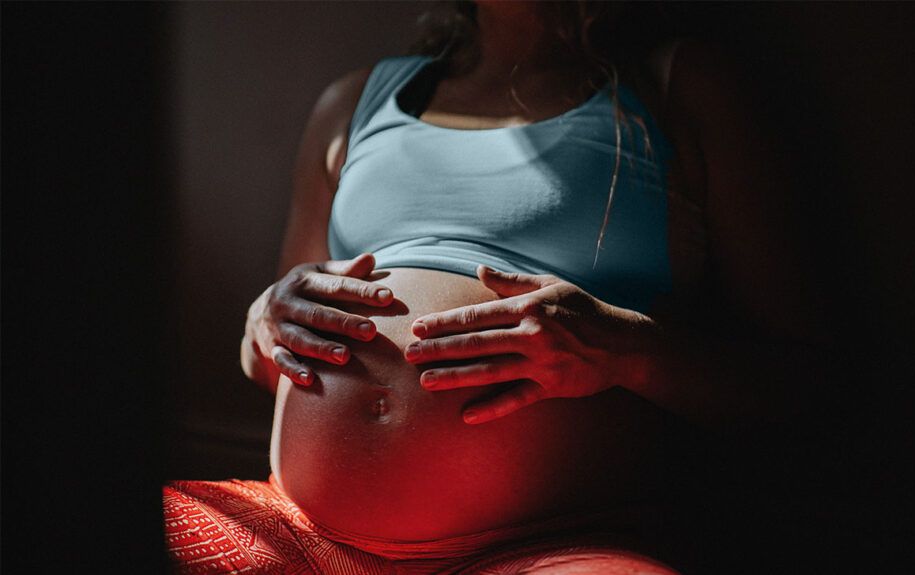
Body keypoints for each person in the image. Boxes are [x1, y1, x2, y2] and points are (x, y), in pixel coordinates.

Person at [164, 1, 830, 573]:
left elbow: (802, 388)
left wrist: (626, 351)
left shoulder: (679, 88)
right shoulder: (352, 104)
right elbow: (274, 360)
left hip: (562, 545)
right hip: (304, 532)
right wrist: (262, 324)